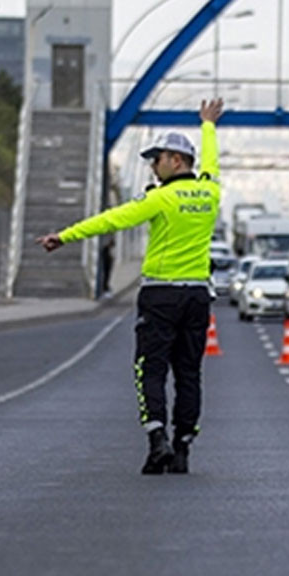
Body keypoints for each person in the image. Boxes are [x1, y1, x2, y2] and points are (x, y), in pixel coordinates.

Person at [37, 99, 225, 475]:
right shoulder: (211, 193)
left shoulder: (160, 198)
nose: (153, 167)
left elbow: (112, 220)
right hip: (197, 297)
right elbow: (212, 163)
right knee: (189, 373)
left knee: (150, 369)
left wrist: (65, 236)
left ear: (175, 160)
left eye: (157, 160)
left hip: (160, 295)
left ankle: (157, 440)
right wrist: (208, 125)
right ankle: (183, 446)